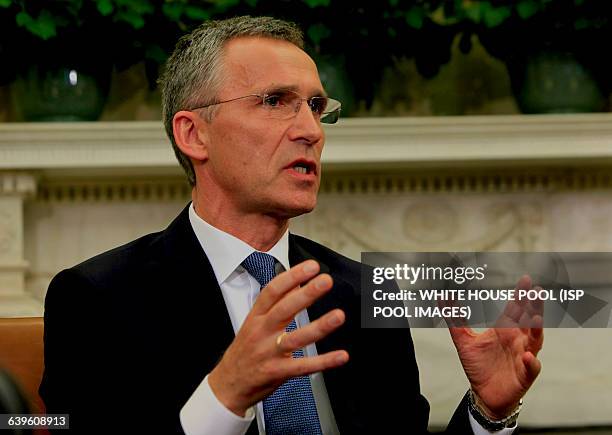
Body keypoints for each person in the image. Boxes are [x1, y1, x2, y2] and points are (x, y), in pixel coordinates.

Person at [40, 16, 543, 434]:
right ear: (193, 134)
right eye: (275, 101)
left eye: (317, 108)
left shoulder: (362, 294)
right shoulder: (97, 298)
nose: (309, 131)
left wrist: (488, 414)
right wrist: (223, 398)